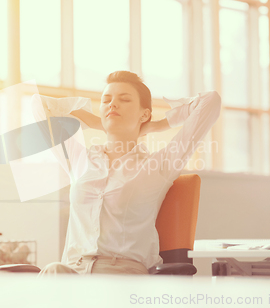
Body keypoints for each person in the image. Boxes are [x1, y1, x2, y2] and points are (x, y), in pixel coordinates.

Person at [31, 71, 221, 276]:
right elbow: (38, 105)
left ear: (144, 114)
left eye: (124, 99)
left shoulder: (159, 164)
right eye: (106, 100)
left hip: (122, 273)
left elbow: (211, 102)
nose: (113, 104)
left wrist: (157, 125)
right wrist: (98, 122)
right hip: (72, 271)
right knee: (53, 271)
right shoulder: (80, 159)